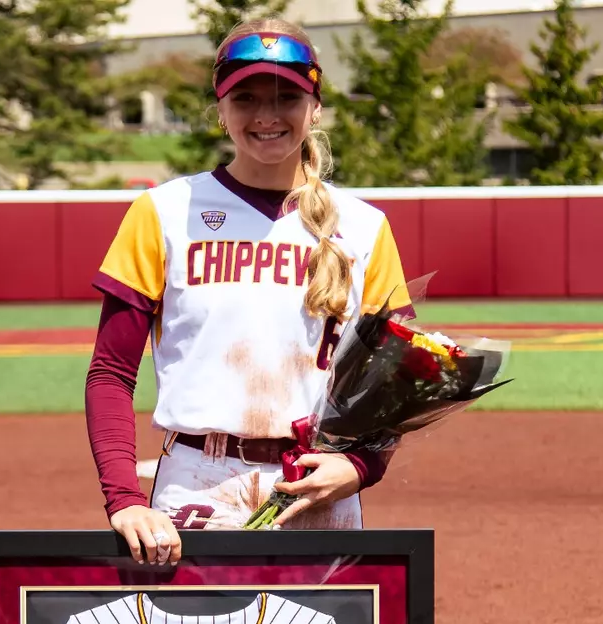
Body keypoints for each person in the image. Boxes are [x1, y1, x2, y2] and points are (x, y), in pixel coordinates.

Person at [84, 18, 417, 566]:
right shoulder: (163, 214)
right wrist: (123, 499)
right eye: (246, 97)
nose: (267, 115)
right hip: (198, 484)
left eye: (287, 96)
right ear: (220, 108)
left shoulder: (363, 227)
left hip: (315, 485)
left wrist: (361, 467)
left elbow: (398, 374)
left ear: (316, 106)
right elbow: (111, 372)